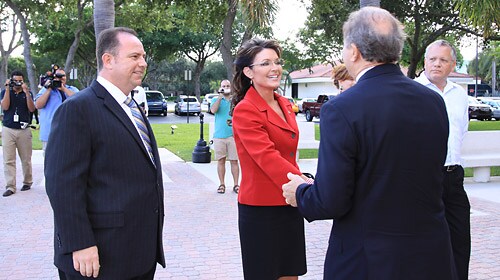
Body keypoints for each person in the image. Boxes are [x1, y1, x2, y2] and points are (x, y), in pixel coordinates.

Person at [282, 7, 458, 280]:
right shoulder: (432, 100)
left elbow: (332, 200)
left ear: (353, 52)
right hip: (429, 255)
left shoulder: (342, 109)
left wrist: (300, 193)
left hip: (368, 260)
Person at [45, 27, 165, 279]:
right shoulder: (77, 109)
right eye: (134, 57)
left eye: (143, 57)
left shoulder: (132, 108)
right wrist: (79, 243)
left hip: (137, 254)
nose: (143, 63)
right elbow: (63, 185)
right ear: (108, 60)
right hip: (97, 259)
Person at [231, 38, 313, 280]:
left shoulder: (285, 104)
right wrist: (305, 183)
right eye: (265, 63)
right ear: (248, 72)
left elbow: (287, 151)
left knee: (291, 274)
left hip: (290, 203)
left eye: (277, 62)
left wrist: (300, 187)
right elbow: (267, 157)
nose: (275, 68)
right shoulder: (246, 110)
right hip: (261, 210)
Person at [415, 39, 470, 280]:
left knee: (459, 240)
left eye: (443, 60)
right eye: (432, 59)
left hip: (453, 176)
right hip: (423, 178)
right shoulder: (412, 92)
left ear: (452, 65)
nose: (437, 64)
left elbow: (462, 130)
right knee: (424, 243)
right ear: (425, 61)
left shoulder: (460, 94)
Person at [1, 70, 35, 197]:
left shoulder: (27, 93)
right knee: (8, 159)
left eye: (20, 80)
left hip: (24, 129)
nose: (18, 83)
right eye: (15, 80)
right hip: (8, 129)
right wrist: (8, 89)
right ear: (11, 80)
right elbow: (5, 107)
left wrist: (26, 92)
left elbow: (32, 108)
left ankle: (27, 181)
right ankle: (10, 185)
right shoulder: (5, 92)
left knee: (26, 159)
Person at [35, 67, 79, 151]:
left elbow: (79, 101)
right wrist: (49, 89)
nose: (61, 78)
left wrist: (64, 89)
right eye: (58, 76)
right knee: (50, 161)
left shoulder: (72, 89)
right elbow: (38, 105)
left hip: (69, 132)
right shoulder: (46, 90)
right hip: (50, 134)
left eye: (63, 76)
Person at [210, 79, 240, 194]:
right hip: (219, 136)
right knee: (221, 161)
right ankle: (222, 184)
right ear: (220, 87)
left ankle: (236, 184)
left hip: (233, 136)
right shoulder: (215, 99)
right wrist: (220, 96)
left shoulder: (235, 100)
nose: (225, 87)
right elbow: (213, 110)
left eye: (227, 86)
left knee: (234, 161)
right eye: (223, 86)